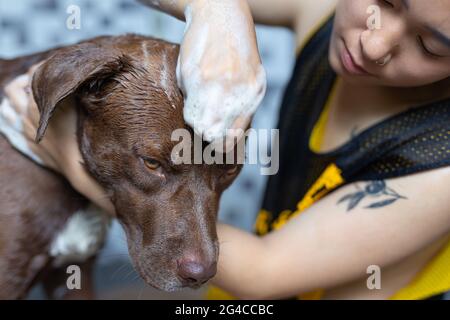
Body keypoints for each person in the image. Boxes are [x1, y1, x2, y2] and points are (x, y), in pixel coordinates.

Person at [145, 0, 450, 300]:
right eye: (383, 1)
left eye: (429, 47)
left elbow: (263, 272)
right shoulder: (322, 10)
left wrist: (116, 186)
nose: (373, 44)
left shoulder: (440, 168)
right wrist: (216, 10)